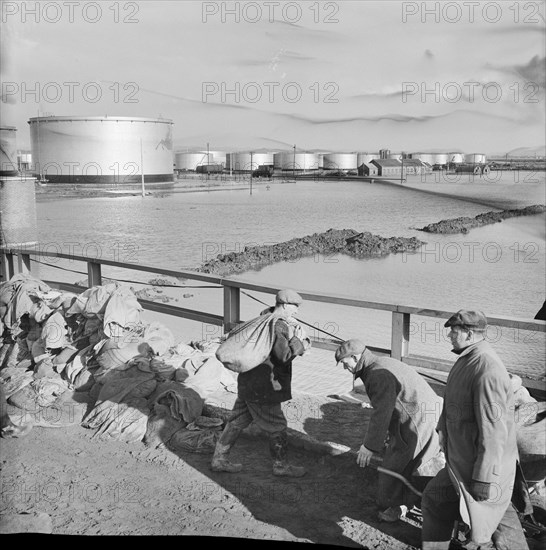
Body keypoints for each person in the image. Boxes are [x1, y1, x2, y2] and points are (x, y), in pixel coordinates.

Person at [421, 309, 529, 550]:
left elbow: (494, 431)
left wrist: (483, 478)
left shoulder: (486, 369)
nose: (449, 335)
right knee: (435, 499)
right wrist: (441, 430)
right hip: (461, 464)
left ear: (469, 334)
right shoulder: (467, 359)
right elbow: (452, 401)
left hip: (480, 469)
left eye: (453, 331)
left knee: (492, 524)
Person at [334, 339, 445, 523]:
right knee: (411, 459)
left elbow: (381, 413)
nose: (345, 368)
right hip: (428, 414)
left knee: (394, 467)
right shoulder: (380, 362)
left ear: (354, 357)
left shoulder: (376, 374)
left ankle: (397, 506)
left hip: (419, 421)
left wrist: (369, 446)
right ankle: (414, 499)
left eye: (345, 364)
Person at [211, 289, 311, 477]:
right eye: (295, 307)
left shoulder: (261, 319)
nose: (296, 312)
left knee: (236, 421)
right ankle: (281, 466)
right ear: (286, 305)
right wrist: (300, 342)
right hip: (264, 388)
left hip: (248, 382)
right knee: (277, 425)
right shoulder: (278, 326)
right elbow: (283, 356)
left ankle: (219, 459)